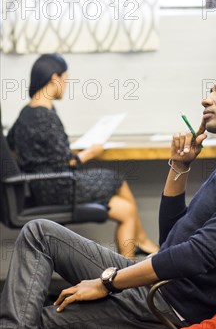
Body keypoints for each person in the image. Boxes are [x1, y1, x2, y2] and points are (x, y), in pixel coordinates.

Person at [0, 71, 216, 329]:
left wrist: (108, 283)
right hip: (161, 289)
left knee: (21, 325)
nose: (207, 98)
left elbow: (195, 256)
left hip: (168, 308)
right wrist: (179, 166)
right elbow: (172, 237)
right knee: (40, 233)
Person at [6, 54, 158, 258]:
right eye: (65, 80)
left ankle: (136, 249)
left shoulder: (25, 113)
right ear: (54, 79)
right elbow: (67, 162)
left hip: (41, 187)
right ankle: (138, 250)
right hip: (59, 187)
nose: (66, 85)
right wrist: (90, 153)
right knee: (117, 179)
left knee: (127, 210)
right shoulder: (45, 115)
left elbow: (11, 148)